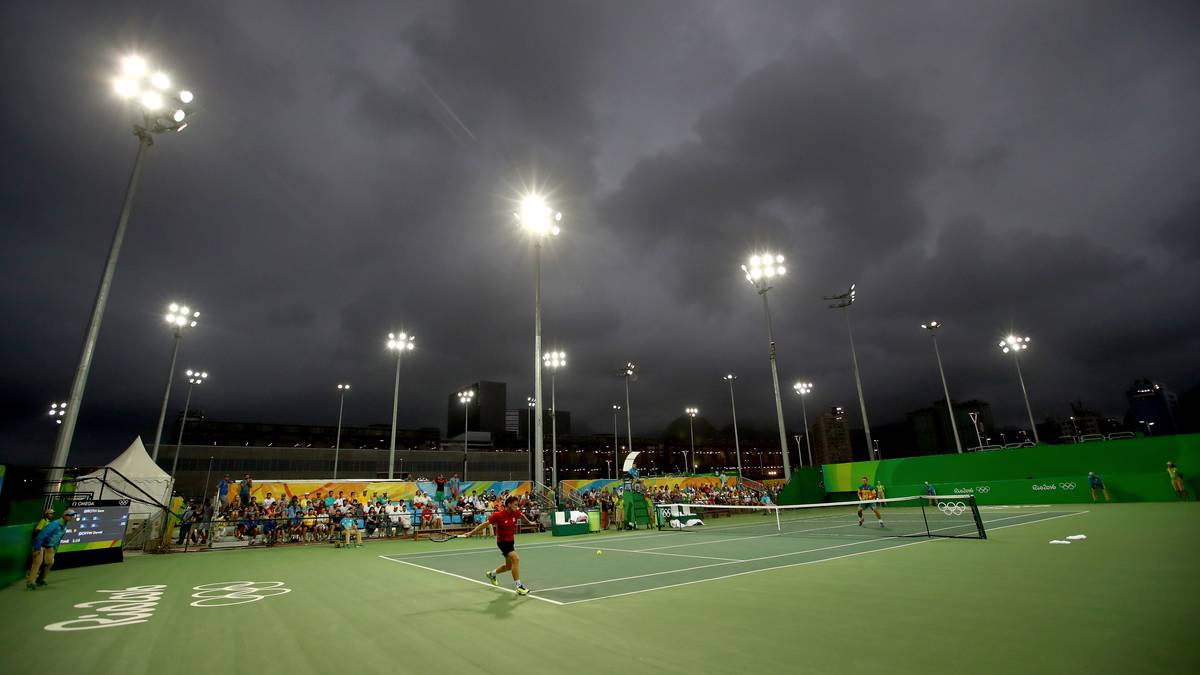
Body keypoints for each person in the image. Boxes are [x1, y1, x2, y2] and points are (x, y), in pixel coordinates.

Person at [463, 496, 538, 596]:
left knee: (508, 567)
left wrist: (530, 522)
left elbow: (522, 516)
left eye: (517, 505)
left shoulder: (515, 512)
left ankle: (492, 574)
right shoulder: (498, 515)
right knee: (516, 559)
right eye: (515, 504)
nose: (517, 506)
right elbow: (485, 524)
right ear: (509, 504)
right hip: (502, 542)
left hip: (511, 541)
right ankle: (519, 587)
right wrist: (471, 533)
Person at [27, 509, 76, 590]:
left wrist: (55, 548)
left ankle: (40, 580)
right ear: (65, 516)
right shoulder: (55, 524)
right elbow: (41, 536)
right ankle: (30, 583)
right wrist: (37, 549)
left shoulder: (65, 525)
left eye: (72, 516)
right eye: (70, 515)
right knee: (37, 563)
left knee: (50, 562)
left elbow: (59, 538)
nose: (72, 517)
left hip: (50, 546)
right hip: (40, 545)